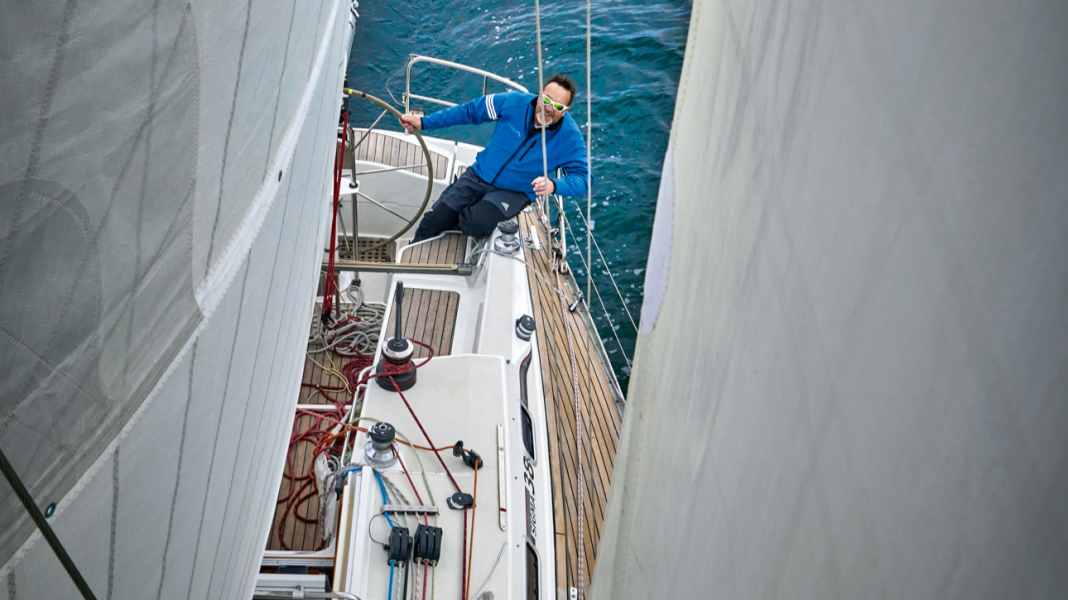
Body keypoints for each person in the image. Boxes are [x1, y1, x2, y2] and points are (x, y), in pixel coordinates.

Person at [400, 74, 589, 241]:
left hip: (515, 192)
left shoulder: (569, 138)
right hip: (479, 174)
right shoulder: (513, 103)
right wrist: (424, 122)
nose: (548, 108)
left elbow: (584, 180)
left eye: (557, 106)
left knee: (476, 224)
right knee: (434, 219)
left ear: (565, 111)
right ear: (540, 94)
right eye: (546, 100)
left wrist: (554, 185)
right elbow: (470, 111)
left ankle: (471, 213)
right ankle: (412, 254)